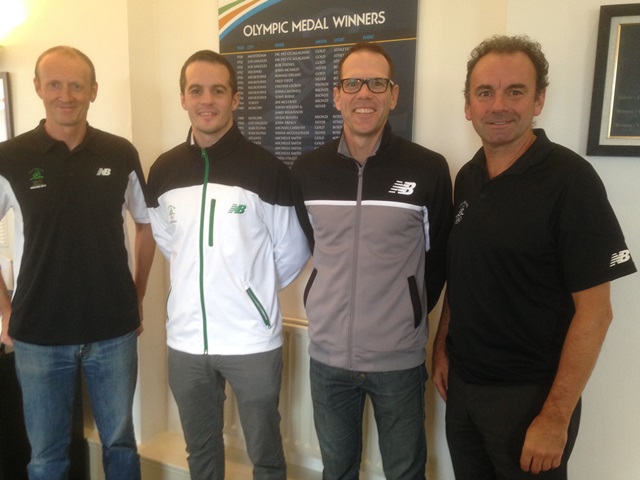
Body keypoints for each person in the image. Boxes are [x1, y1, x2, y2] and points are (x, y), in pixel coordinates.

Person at [432, 35, 637, 480]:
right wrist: (442, 345)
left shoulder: (571, 180)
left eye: (515, 91)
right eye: (485, 92)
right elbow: (463, 273)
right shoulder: (468, 176)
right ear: (468, 105)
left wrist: (555, 416)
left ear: (538, 100)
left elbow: (596, 314)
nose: (498, 106)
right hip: (464, 390)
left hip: (530, 400)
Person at [146, 50, 310, 480]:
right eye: (196, 90)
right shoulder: (163, 170)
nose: (207, 100)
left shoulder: (267, 169)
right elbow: (169, 241)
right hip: (186, 340)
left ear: (235, 99)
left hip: (250, 339)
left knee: (265, 454)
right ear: (183, 98)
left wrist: (250, 290)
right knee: (200, 453)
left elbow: (292, 249)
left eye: (218, 91)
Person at [292, 42, 452, 479]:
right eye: (352, 83)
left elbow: (439, 259)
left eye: (377, 83)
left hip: (399, 360)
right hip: (328, 359)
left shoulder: (428, 168)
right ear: (337, 95)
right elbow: (315, 243)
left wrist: (408, 312)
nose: (364, 93)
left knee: (405, 472)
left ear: (393, 95)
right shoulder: (307, 170)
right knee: (337, 470)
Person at [0, 46, 155, 480]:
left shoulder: (120, 153)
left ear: (93, 91)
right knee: (47, 457)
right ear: (37, 88)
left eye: (76, 85)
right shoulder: (9, 157)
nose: (65, 95)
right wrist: (6, 311)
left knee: (120, 445)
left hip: (113, 330)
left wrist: (137, 296)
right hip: (38, 334)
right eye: (54, 84)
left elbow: (146, 226)